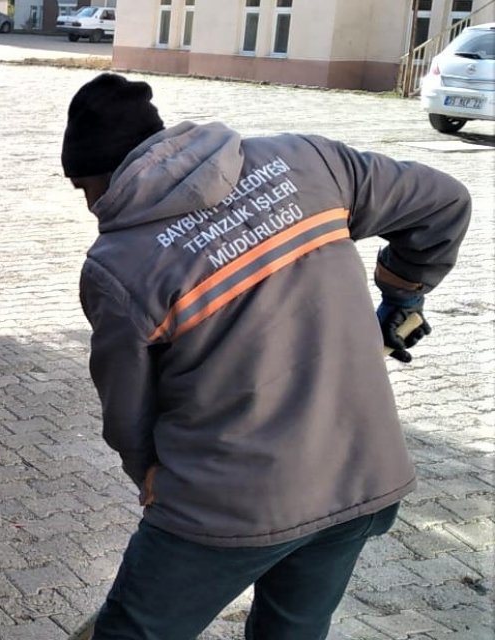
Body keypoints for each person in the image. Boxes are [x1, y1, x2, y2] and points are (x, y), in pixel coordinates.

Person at [62, 73, 470, 638]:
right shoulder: (307, 161)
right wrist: (403, 294)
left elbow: (128, 410)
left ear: (107, 174)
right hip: (358, 478)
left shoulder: (117, 265)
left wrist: (147, 473)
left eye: (85, 189)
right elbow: (444, 204)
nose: (90, 207)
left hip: (223, 509)